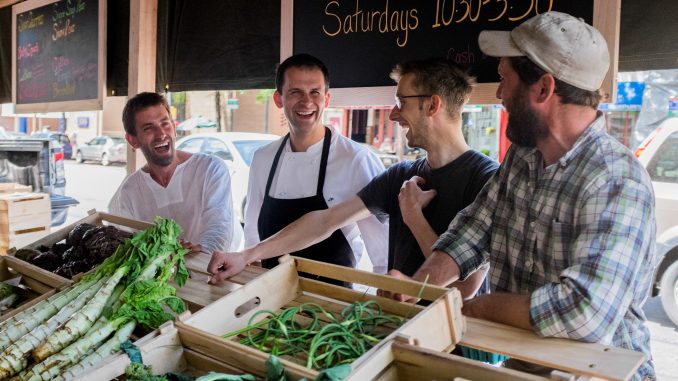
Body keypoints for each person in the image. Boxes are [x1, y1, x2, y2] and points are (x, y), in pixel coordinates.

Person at [398, 12, 656, 380]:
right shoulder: (523, 155)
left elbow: (585, 313)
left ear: (543, 89)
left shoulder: (616, 181)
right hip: (525, 365)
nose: (499, 93)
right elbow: (474, 228)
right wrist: (418, 285)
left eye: (505, 79)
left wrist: (476, 307)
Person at [208, 57, 498, 297]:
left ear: (432, 106)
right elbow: (324, 221)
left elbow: (467, 287)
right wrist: (247, 255)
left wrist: (414, 217)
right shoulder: (401, 175)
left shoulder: (486, 178)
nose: (393, 116)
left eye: (402, 103)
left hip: (458, 342)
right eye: (295, 92)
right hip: (401, 327)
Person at [233, 54, 388, 286]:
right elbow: (253, 233)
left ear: (326, 98)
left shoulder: (356, 160)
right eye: (295, 92)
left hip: (332, 302)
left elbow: (383, 249)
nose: (307, 102)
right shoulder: (263, 158)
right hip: (272, 298)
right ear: (278, 98)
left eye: (315, 92)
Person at [109, 92, 243, 256]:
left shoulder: (210, 169)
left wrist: (199, 256)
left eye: (165, 124)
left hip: (215, 272)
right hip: (161, 279)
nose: (161, 134)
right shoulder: (129, 192)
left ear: (173, 127)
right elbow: (124, 242)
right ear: (133, 140)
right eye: (148, 128)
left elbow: (220, 228)